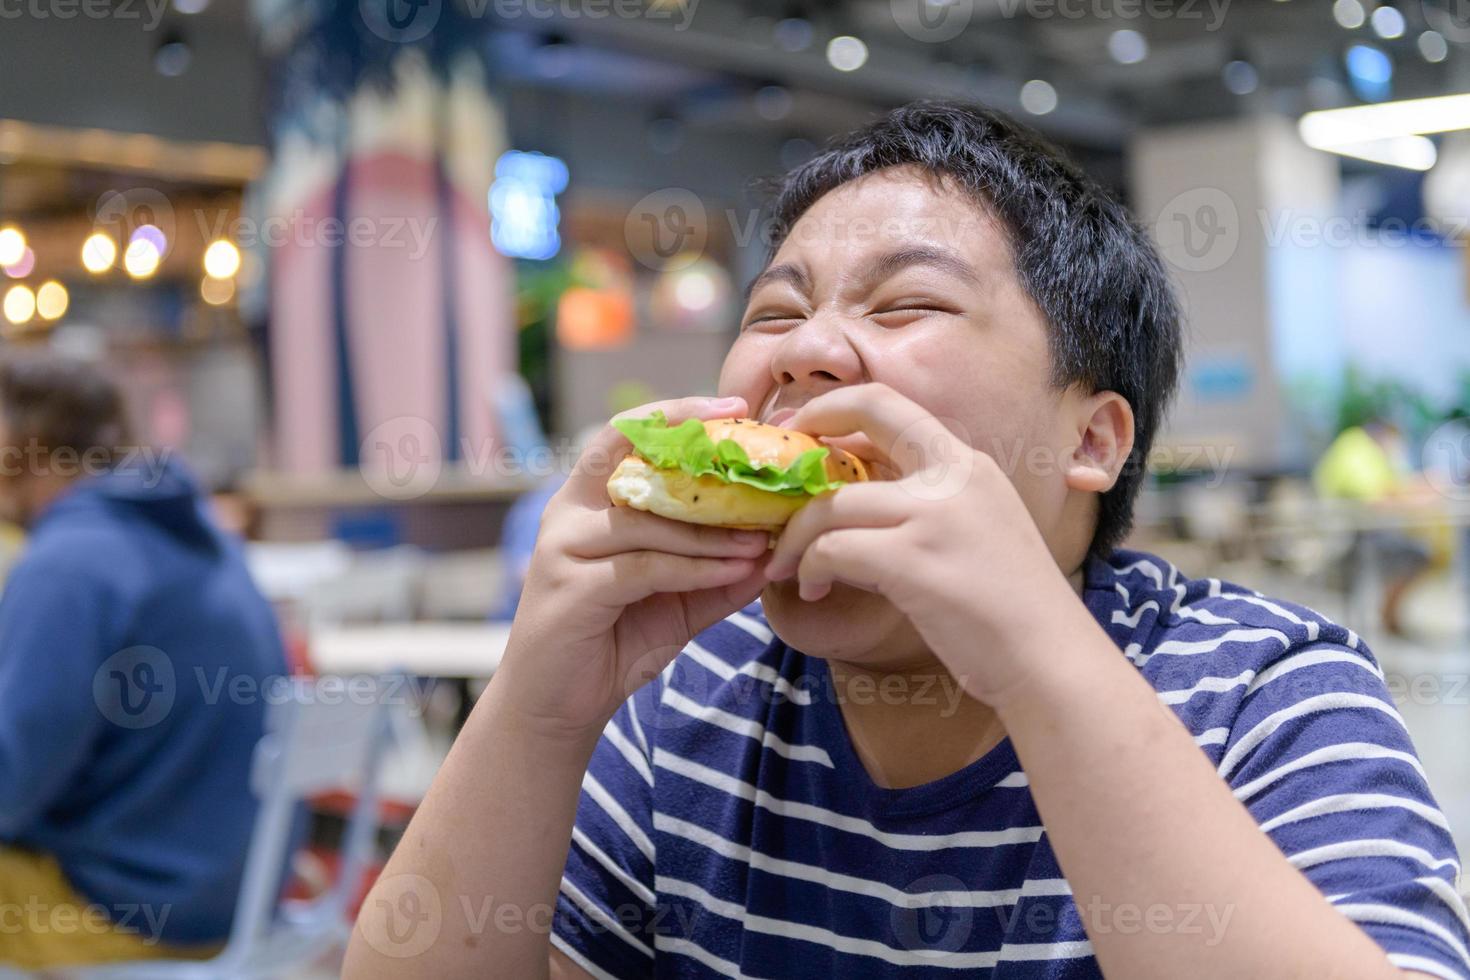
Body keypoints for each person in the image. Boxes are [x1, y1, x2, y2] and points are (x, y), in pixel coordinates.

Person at [344, 102, 1469, 978]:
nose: (806, 351)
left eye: (907, 305)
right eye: (776, 314)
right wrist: (540, 699)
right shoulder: (685, 699)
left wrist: (1033, 649)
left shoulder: (1268, 693)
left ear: (1092, 437)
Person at [0, 354, 288, 967]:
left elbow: (9, 786)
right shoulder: (200, 536)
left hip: (126, 913)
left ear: (25, 440)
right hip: (231, 900)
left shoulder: (69, 565)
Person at [1314, 421, 1436, 636]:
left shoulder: (1367, 452)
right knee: (1419, 554)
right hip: (1353, 534)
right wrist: (1414, 500)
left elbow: (1392, 486)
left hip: (1367, 530)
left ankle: (1389, 615)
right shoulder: (1357, 450)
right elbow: (1374, 499)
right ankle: (1388, 616)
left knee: (1417, 552)